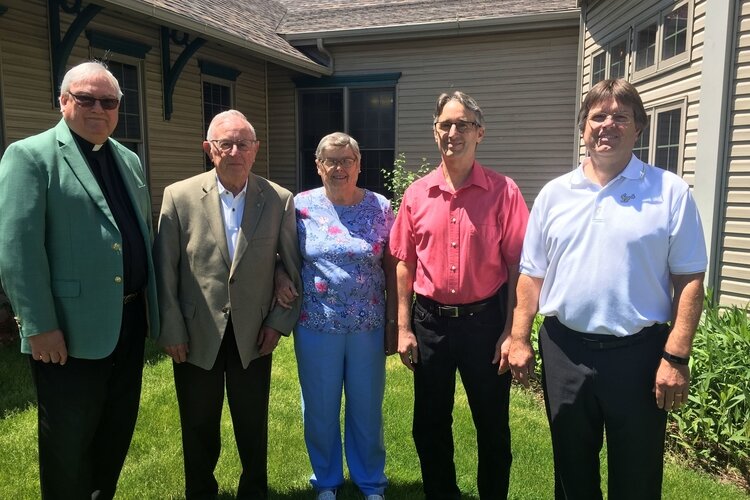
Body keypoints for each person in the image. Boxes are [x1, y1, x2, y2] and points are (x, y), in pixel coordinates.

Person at [508, 78, 707, 499]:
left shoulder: (669, 192)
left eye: (621, 116)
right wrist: (519, 336)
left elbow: (689, 280)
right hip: (564, 350)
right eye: (598, 116)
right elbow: (531, 274)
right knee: (571, 471)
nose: (608, 125)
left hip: (638, 355)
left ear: (638, 128)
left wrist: (676, 355)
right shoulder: (554, 194)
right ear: (583, 127)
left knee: (637, 475)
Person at [0, 61, 160, 499]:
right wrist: (38, 326)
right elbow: (17, 250)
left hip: (128, 323)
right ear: (63, 101)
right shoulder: (30, 156)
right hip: (66, 332)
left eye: (108, 102)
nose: (98, 109)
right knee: (68, 441)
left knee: (115, 430)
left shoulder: (127, 159)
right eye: (85, 98)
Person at [153, 109, 301, 499]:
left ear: (255, 150)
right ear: (209, 149)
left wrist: (278, 321)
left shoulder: (278, 199)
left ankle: (254, 491)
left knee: (253, 425)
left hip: (254, 334)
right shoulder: (179, 196)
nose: (235, 151)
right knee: (198, 425)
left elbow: (290, 265)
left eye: (243, 144)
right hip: (195, 332)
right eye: (225, 144)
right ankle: (200, 491)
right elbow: (164, 270)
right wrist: (170, 327)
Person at [389, 91, 529, 499]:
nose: (453, 132)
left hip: (485, 324)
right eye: (445, 125)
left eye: (462, 124)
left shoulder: (504, 192)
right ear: (435, 132)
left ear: (479, 132)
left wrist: (512, 333)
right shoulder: (417, 195)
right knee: (429, 425)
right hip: (430, 323)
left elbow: (520, 268)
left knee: (492, 426)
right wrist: (404, 328)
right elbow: (404, 263)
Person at [275, 132, 396, 500]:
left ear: (358, 165)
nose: (339, 167)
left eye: (346, 160)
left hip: (368, 327)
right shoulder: (300, 206)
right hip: (316, 325)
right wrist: (281, 276)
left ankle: (370, 481)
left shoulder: (381, 207)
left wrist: (394, 323)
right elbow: (281, 255)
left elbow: (393, 268)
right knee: (320, 407)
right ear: (318, 165)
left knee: (366, 408)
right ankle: (326, 480)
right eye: (331, 160)